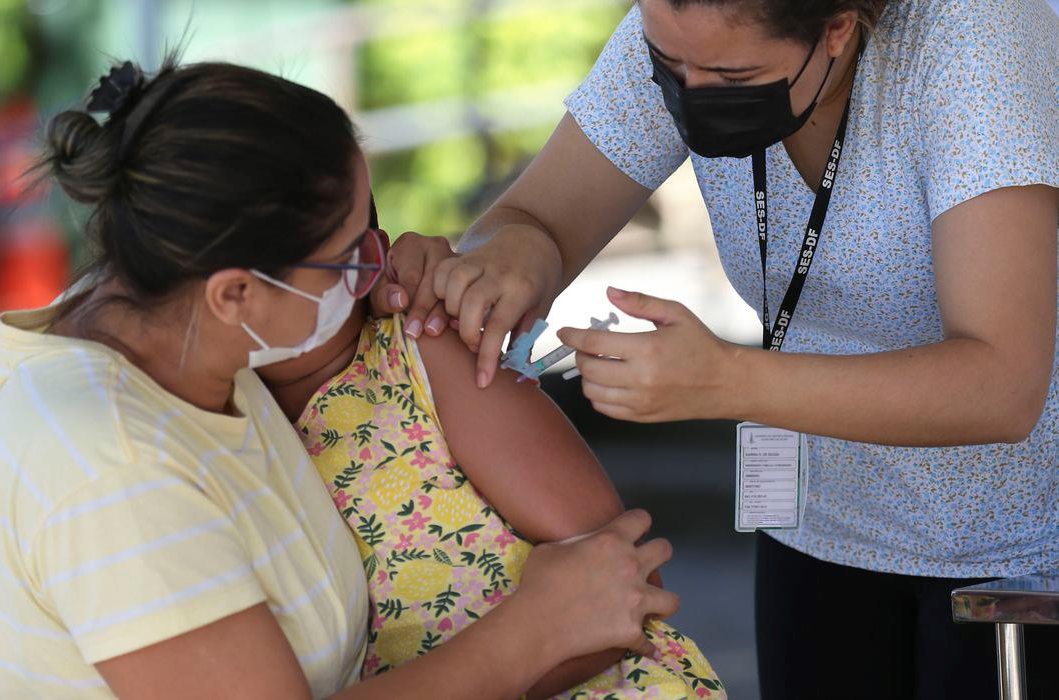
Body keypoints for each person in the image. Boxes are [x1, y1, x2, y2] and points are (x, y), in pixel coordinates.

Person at [0, 57, 680, 699]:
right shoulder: (112, 462)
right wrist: (535, 628)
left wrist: (51, 581)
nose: (385, 264)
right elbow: (109, 493)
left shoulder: (168, 337)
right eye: (348, 256)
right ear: (234, 293)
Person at [370, 1, 1059, 698]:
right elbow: (535, 218)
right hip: (818, 522)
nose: (691, 93)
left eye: (734, 74)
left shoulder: (975, 39)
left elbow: (1002, 385)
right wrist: (509, 259)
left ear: (838, 29)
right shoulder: (685, 27)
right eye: (669, 67)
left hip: (1017, 553)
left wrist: (725, 381)